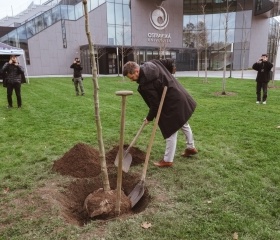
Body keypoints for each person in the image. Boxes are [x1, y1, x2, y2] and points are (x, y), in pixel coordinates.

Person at [123, 59, 198, 167]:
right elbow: (168, 62)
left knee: (170, 130)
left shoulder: (146, 84)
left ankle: (168, 160)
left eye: (132, 77)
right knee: (183, 122)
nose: (132, 80)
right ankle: (191, 148)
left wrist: (149, 118)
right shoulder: (151, 63)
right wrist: (171, 70)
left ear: (136, 71)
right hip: (178, 93)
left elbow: (155, 104)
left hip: (171, 102)